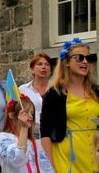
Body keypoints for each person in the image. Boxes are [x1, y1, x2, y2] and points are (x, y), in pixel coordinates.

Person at [40, 38, 99, 173]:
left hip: (92, 158)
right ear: (66, 62)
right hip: (66, 159)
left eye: (88, 58)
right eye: (79, 57)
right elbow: (45, 134)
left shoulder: (96, 91)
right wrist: (51, 168)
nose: (85, 61)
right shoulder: (54, 94)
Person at [0, 94, 54, 172]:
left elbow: (45, 167)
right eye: (26, 112)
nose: (30, 116)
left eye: (32, 113)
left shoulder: (35, 141)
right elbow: (16, 160)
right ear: (11, 115)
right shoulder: (4, 138)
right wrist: (24, 128)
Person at [19, 53, 52, 138]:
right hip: (30, 135)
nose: (43, 67)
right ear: (32, 69)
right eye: (39, 64)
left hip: (52, 134)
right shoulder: (22, 90)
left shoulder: (57, 89)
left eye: (47, 64)